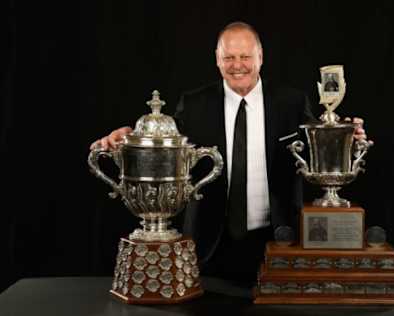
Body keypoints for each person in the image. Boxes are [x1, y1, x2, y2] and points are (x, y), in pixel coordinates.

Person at [90, 21, 369, 286]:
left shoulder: (292, 102)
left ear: (261, 56)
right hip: (207, 250)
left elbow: (314, 153)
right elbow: (167, 145)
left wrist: (345, 139)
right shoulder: (194, 103)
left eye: (245, 57)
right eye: (229, 57)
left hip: (280, 243)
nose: (238, 66)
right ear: (217, 59)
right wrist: (129, 134)